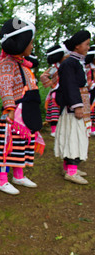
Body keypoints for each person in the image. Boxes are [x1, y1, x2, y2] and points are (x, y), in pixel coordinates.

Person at [0, 18, 45, 195]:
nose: (31, 46)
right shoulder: (7, 63)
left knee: (22, 145)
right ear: (21, 43)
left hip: (26, 113)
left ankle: (19, 175)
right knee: (7, 146)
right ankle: (2, 180)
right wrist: (10, 108)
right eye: (29, 43)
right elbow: (5, 86)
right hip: (13, 113)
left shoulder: (23, 64)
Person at [55, 30, 92, 185]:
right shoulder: (70, 63)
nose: (88, 47)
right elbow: (70, 86)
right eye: (87, 44)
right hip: (73, 107)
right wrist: (77, 106)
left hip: (78, 103)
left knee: (74, 136)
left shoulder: (76, 62)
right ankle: (71, 171)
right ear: (77, 46)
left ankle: (69, 168)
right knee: (73, 137)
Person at [40, 44, 69, 137]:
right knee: (55, 111)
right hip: (56, 92)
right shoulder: (54, 68)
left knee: (64, 110)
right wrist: (52, 85)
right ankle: (54, 130)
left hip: (65, 91)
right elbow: (43, 76)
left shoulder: (67, 66)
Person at [85, 45, 95, 136]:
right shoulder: (88, 67)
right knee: (90, 109)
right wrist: (91, 84)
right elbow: (86, 80)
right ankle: (90, 127)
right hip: (90, 91)